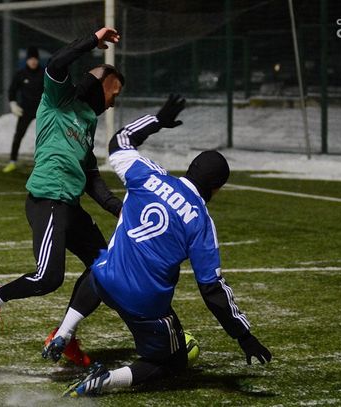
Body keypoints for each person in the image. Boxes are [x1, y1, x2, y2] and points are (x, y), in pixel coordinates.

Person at [42, 95, 272, 397]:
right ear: (216, 188)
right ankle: (103, 381)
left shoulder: (147, 175)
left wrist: (158, 121)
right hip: (143, 303)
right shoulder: (201, 221)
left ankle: (64, 332)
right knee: (173, 361)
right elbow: (212, 288)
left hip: (106, 281)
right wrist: (243, 335)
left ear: (190, 169)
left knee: (101, 264)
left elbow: (119, 141)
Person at [0, 28, 125, 364]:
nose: (113, 102)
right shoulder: (59, 99)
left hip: (69, 206)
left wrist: (120, 209)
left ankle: (64, 335)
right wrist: (92, 39)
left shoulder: (87, 120)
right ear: (98, 85)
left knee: (107, 269)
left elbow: (91, 177)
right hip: (47, 201)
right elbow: (57, 63)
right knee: (48, 277)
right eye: (113, 93)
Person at [3, 46, 45, 173]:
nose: (33, 61)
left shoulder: (44, 73)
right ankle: (12, 161)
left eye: (35, 59)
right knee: (18, 135)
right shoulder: (20, 74)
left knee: (46, 137)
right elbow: (12, 90)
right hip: (25, 110)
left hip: (42, 110)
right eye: (31, 59)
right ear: (27, 60)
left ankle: (46, 163)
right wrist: (13, 104)